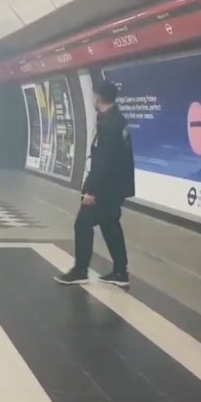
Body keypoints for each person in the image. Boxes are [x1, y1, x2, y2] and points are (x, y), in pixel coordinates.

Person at [55, 81, 135, 287]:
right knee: (110, 225)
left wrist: (91, 190)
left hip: (106, 188)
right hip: (115, 186)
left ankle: (80, 270)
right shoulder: (116, 120)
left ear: (98, 97)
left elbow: (103, 162)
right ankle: (120, 272)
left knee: (82, 224)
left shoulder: (109, 125)